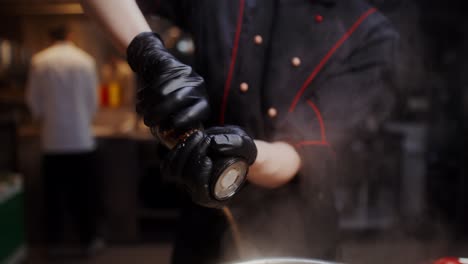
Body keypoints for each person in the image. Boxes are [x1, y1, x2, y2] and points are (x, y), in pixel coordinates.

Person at [80, 0, 399, 263]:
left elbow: (300, 154)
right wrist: (149, 55)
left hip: (301, 231)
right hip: (204, 221)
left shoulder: (370, 36)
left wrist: (244, 157)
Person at [26, 25, 102, 256]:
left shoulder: (39, 61)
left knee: (53, 196)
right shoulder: (85, 60)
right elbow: (93, 101)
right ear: (70, 36)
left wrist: (44, 118)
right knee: (84, 194)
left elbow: (34, 101)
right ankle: (88, 241)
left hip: (53, 139)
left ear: (50, 38)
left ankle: (53, 244)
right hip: (81, 138)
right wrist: (82, 118)